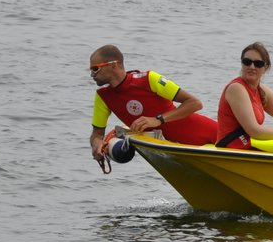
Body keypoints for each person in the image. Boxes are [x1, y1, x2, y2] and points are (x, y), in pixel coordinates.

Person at [88, 44, 217, 163]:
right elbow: (97, 134)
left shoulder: (149, 79)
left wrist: (158, 120)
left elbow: (195, 103)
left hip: (211, 134)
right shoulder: (103, 96)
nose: (92, 75)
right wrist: (97, 144)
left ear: (113, 65)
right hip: (178, 148)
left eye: (95, 69)